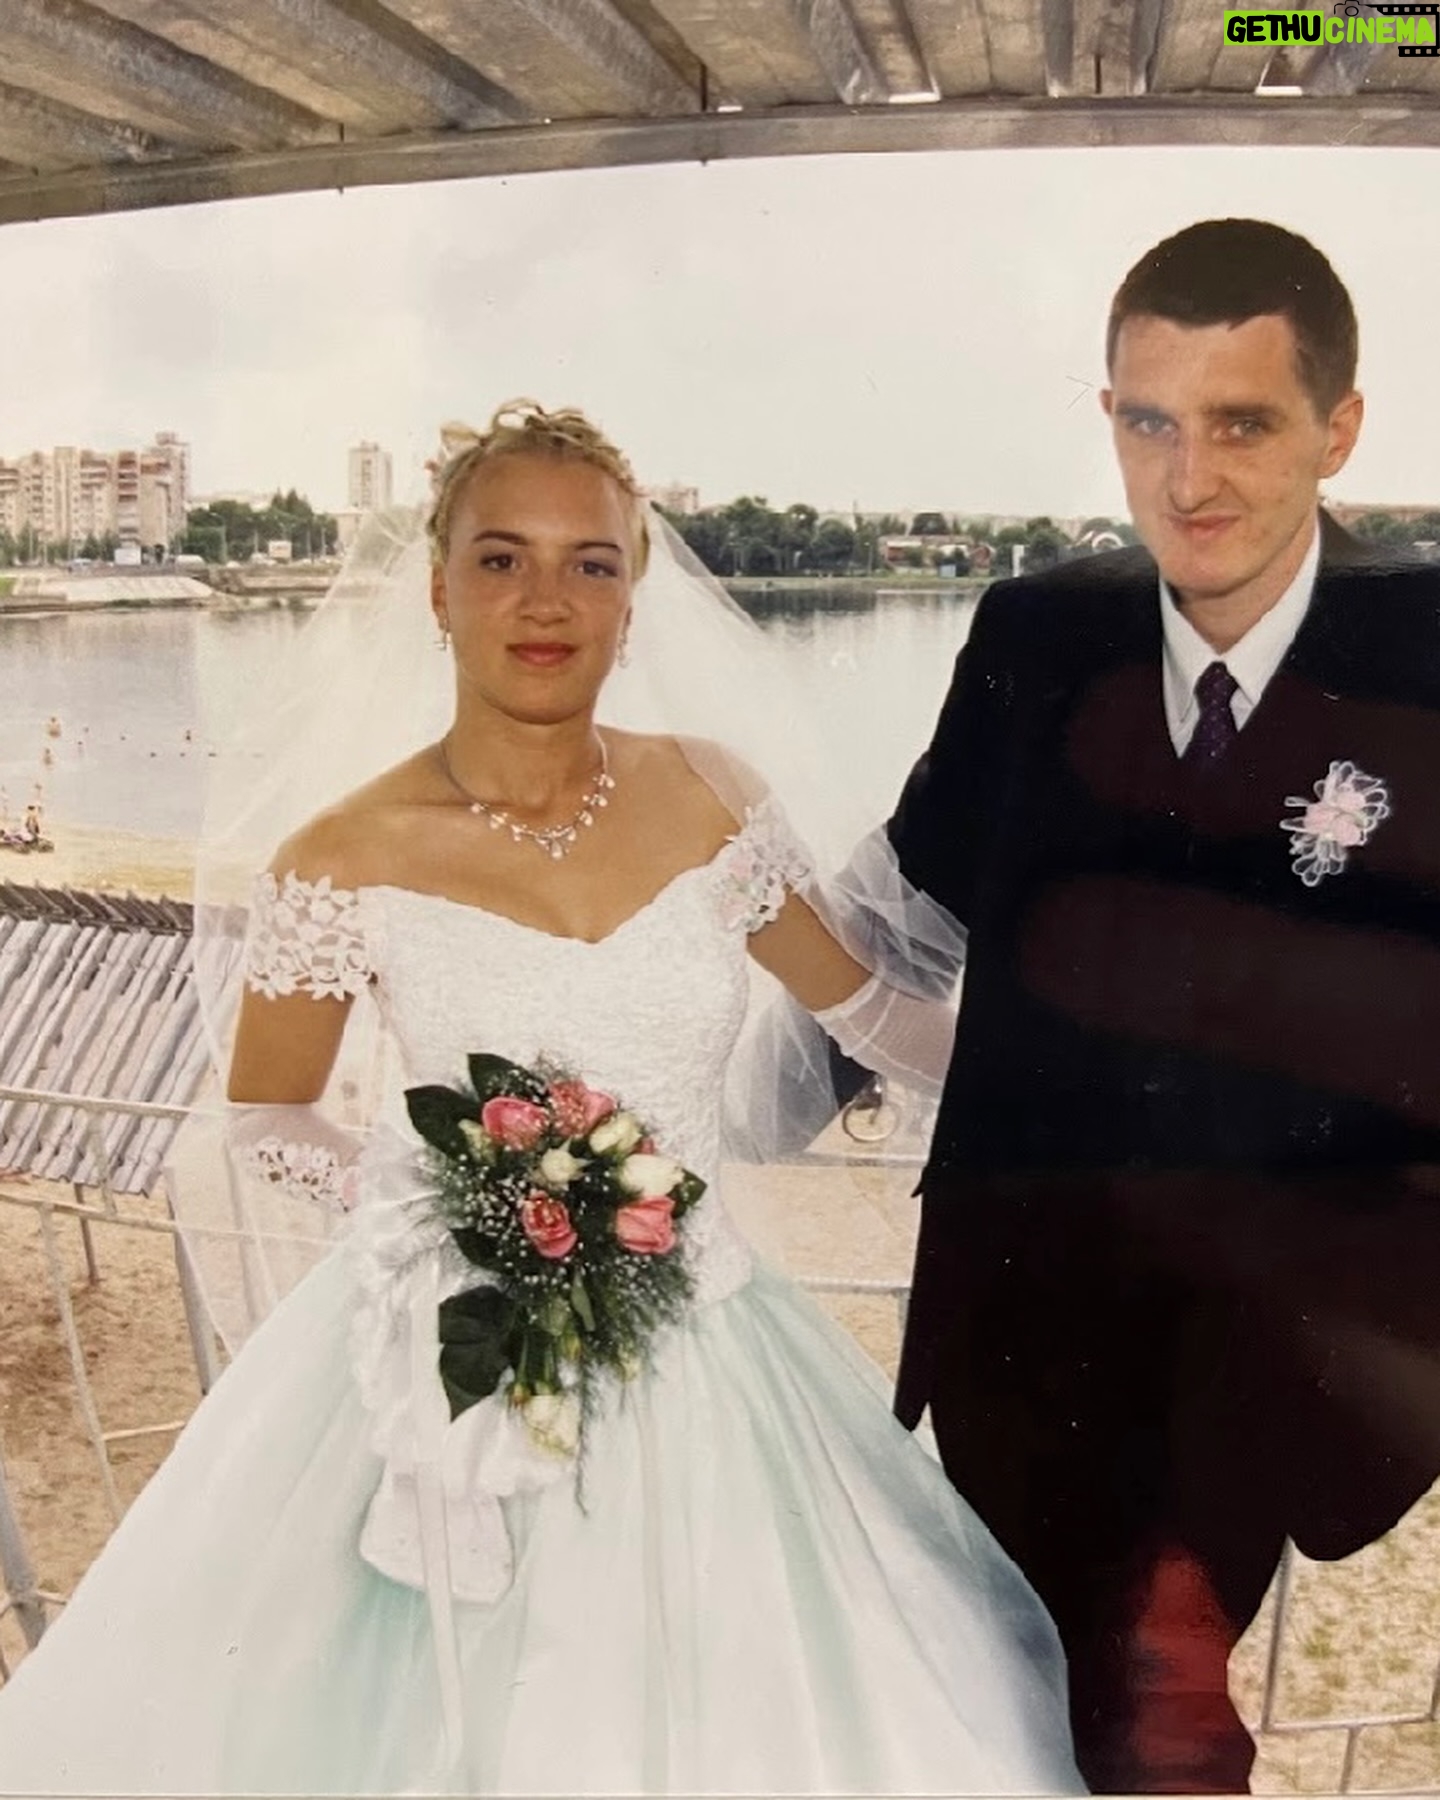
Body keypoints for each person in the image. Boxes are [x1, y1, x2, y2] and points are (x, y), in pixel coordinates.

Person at [0, 402, 1081, 1796]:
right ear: (436, 589)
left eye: (592, 563)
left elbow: (866, 1010)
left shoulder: (711, 794)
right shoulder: (340, 854)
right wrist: (453, 1211)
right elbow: (266, 1112)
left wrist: (1078, 1087)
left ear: (635, 598)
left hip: (714, 1358)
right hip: (449, 1362)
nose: (547, 601)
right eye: (502, 559)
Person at [886, 218, 1440, 1794]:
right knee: (1005, 1719)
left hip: (1278, 1343)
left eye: (1242, 423)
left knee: (1157, 1725)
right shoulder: (1033, 633)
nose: (1187, 479)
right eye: (1149, 422)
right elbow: (907, 912)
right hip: (1015, 1315)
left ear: (1339, 428)